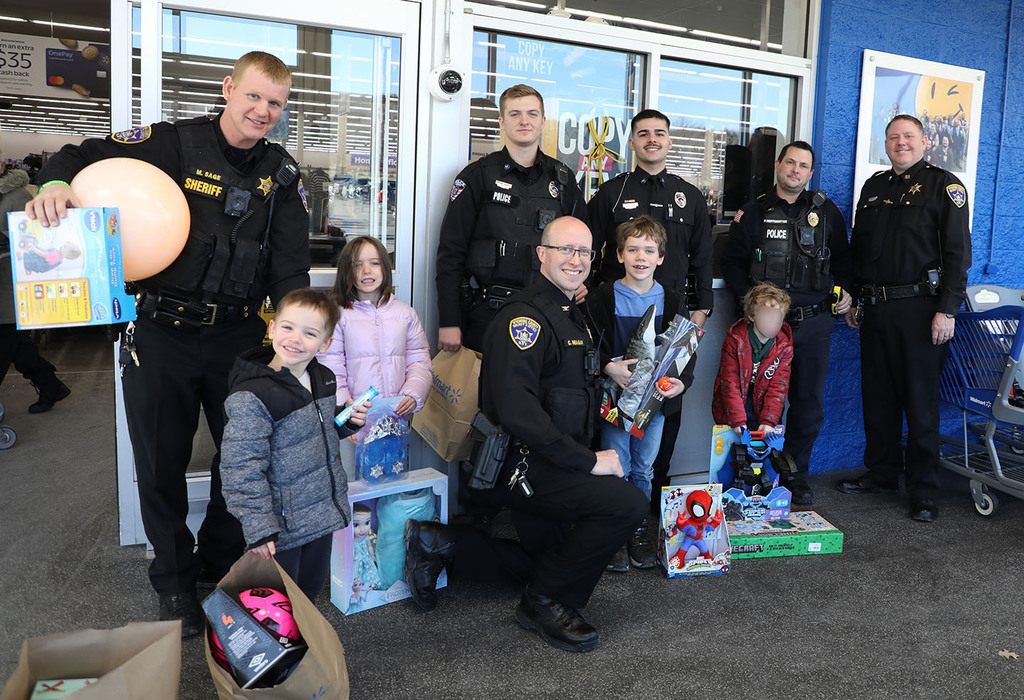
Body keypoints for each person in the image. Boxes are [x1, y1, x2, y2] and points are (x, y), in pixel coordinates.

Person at [26, 51, 310, 636]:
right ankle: (175, 582)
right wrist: (55, 184)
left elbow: (289, 269)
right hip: (160, 334)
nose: (263, 111)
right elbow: (79, 155)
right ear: (229, 87)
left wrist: (295, 336)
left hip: (238, 338)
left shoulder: (282, 175)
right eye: (254, 96)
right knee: (161, 466)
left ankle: (212, 560)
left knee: (244, 463)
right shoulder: (173, 143)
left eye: (276, 103)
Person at [404, 216, 646, 654]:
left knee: (552, 560)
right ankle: (545, 603)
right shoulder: (526, 319)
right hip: (523, 463)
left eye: (584, 252)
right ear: (542, 254)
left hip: (552, 457)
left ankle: (442, 543)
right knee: (626, 504)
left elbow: (565, 375)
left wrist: (610, 370)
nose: (575, 260)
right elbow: (518, 411)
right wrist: (589, 462)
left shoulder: (570, 310)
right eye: (565, 250)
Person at [837, 114, 972, 523]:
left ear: (925, 140)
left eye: (909, 136)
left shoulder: (943, 186)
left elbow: (957, 255)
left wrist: (947, 309)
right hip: (876, 309)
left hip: (921, 311)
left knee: (919, 403)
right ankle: (882, 473)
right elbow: (859, 249)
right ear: (886, 143)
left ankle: (924, 491)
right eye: (894, 137)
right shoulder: (874, 187)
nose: (901, 143)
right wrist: (857, 298)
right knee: (877, 398)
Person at [586, 108, 714, 509]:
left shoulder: (689, 196)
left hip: (670, 316)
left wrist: (702, 310)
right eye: (643, 133)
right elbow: (588, 248)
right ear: (632, 142)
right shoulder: (612, 192)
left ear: (670, 141)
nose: (652, 139)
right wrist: (583, 294)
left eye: (660, 133)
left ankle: (648, 511)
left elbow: (703, 257)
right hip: (618, 313)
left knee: (661, 423)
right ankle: (613, 513)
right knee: (613, 435)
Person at [721, 141, 853, 506]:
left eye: (804, 166)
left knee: (807, 403)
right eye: (790, 162)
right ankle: (748, 473)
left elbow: (844, 262)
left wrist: (845, 292)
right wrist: (752, 305)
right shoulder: (754, 212)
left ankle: (794, 474)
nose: (796, 169)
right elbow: (732, 264)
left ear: (811, 173)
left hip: (812, 325)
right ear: (778, 165)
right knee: (752, 403)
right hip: (762, 329)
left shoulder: (827, 214)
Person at [220, 288, 367, 601]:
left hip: (319, 518)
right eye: (287, 327)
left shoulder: (322, 378)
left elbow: (319, 430)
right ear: (272, 328)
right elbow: (240, 469)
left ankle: (303, 649)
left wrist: (347, 420)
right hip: (281, 530)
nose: (295, 339)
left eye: (310, 333)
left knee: (308, 596)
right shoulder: (254, 396)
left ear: (325, 343)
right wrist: (258, 527)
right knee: (279, 606)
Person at [435, 84, 583, 353]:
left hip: (549, 311)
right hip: (488, 312)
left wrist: (584, 281)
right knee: (487, 393)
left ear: (542, 122)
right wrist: (449, 320)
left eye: (532, 114)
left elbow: (582, 240)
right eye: (515, 114)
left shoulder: (563, 180)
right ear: (502, 122)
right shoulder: (476, 177)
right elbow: (451, 252)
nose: (524, 121)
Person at [586, 216, 688, 572]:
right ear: (619, 254)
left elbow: (685, 353)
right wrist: (606, 367)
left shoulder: (674, 301)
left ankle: (637, 528)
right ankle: (614, 528)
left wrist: (681, 383)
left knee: (644, 468)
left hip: (655, 407)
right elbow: (586, 345)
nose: (640, 256)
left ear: (661, 257)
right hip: (614, 401)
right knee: (618, 465)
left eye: (649, 250)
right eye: (632, 249)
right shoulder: (602, 296)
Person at [318, 235, 432, 423]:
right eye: (357, 265)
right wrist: (343, 409)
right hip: (355, 418)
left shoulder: (406, 314)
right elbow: (330, 367)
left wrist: (413, 393)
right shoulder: (338, 316)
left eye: (374, 263)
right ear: (347, 271)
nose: (366, 271)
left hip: (397, 415)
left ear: (385, 268)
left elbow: (420, 362)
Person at [0, 159, 70, 413]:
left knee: (8, 345)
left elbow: (33, 238)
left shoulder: (16, 196)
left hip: (8, 290)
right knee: (19, 350)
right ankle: (51, 386)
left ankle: (51, 386)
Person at [712, 282, 794, 437]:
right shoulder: (735, 340)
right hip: (738, 401)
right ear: (752, 315)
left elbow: (779, 387)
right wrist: (737, 419)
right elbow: (730, 382)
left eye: (778, 318)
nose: (773, 323)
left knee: (764, 447)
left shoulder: (784, 346)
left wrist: (769, 421)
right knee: (736, 449)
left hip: (765, 403)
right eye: (768, 316)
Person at [350, 503, 383, 608]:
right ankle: (357, 593)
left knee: (370, 574)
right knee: (357, 577)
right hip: (356, 562)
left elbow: (369, 547)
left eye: (367, 523)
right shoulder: (352, 541)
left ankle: (371, 590)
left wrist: (372, 556)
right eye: (356, 525)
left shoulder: (366, 537)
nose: (362, 529)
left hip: (367, 559)